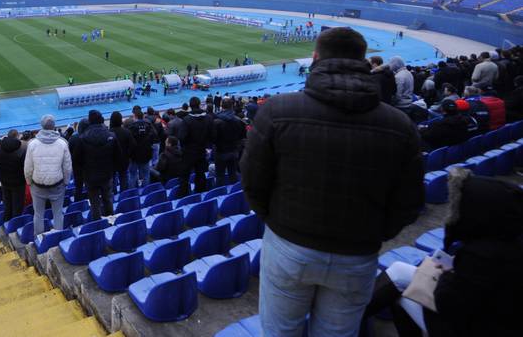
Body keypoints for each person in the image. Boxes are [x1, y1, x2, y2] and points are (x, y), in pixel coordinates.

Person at [241, 26, 424, 335]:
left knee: (280, 330)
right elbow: (409, 202)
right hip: (358, 252)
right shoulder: (399, 124)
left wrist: (277, 220)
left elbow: (253, 182)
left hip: (289, 244)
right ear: (365, 62)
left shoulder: (278, 111)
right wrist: (373, 233)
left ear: (315, 58)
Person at [363, 168, 523, 336]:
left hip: (466, 327)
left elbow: (446, 303)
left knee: (403, 294)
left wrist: (447, 274)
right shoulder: (507, 243)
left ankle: (343, 321)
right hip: (484, 319)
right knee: (399, 271)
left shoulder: (482, 255)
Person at [24, 114, 72, 237]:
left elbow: (28, 168)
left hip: (39, 186)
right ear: (54, 126)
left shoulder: (33, 144)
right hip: (56, 185)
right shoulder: (62, 143)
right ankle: (57, 237)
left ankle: (39, 238)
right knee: (57, 213)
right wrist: (66, 182)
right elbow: (67, 167)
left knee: (38, 214)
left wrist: (29, 182)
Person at [76, 110, 121, 220]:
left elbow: (77, 160)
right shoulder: (111, 135)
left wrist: (83, 173)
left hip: (91, 177)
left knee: (94, 202)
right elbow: (118, 155)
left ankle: (98, 224)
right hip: (106, 174)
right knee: (107, 199)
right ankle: (110, 221)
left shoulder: (82, 138)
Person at [180, 96, 212, 196]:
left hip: (189, 152)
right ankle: (201, 194)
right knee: (201, 173)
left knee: (185, 176)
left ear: (190, 106)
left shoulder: (187, 120)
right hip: (202, 150)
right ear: (199, 104)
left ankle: (184, 196)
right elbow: (212, 135)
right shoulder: (208, 118)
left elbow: (182, 137)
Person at [0, 129, 27, 222]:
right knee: (18, 205)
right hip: (18, 182)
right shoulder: (22, 150)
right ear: (17, 137)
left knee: (7, 203)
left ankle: (7, 221)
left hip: (4, 181)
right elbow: (25, 167)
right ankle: (15, 224)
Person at [212, 98, 244, 186]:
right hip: (234, 150)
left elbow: (213, 138)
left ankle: (220, 193)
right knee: (233, 173)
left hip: (221, 151)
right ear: (232, 106)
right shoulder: (238, 120)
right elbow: (242, 136)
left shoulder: (216, 121)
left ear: (221, 106)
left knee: (219, 176)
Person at [127, 105, 155, 189]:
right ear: (142, 116)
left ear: (135, 116)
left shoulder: (131, 127)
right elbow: (154, 136)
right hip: (146, 153)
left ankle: (132, 193)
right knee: (146, 174)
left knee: (133, 175)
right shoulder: (148, 125)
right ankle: (145, 192)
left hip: (134, 155)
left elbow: (129, 141)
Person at [109, 111, 134, 192]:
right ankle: (124, 195)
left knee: (112, 178)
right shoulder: (126, 132)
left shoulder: (108, 133)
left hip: (112, 161)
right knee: (123, 177)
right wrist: (128, 155)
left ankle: (114, 193)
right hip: (124, 160)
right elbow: (133, 145)